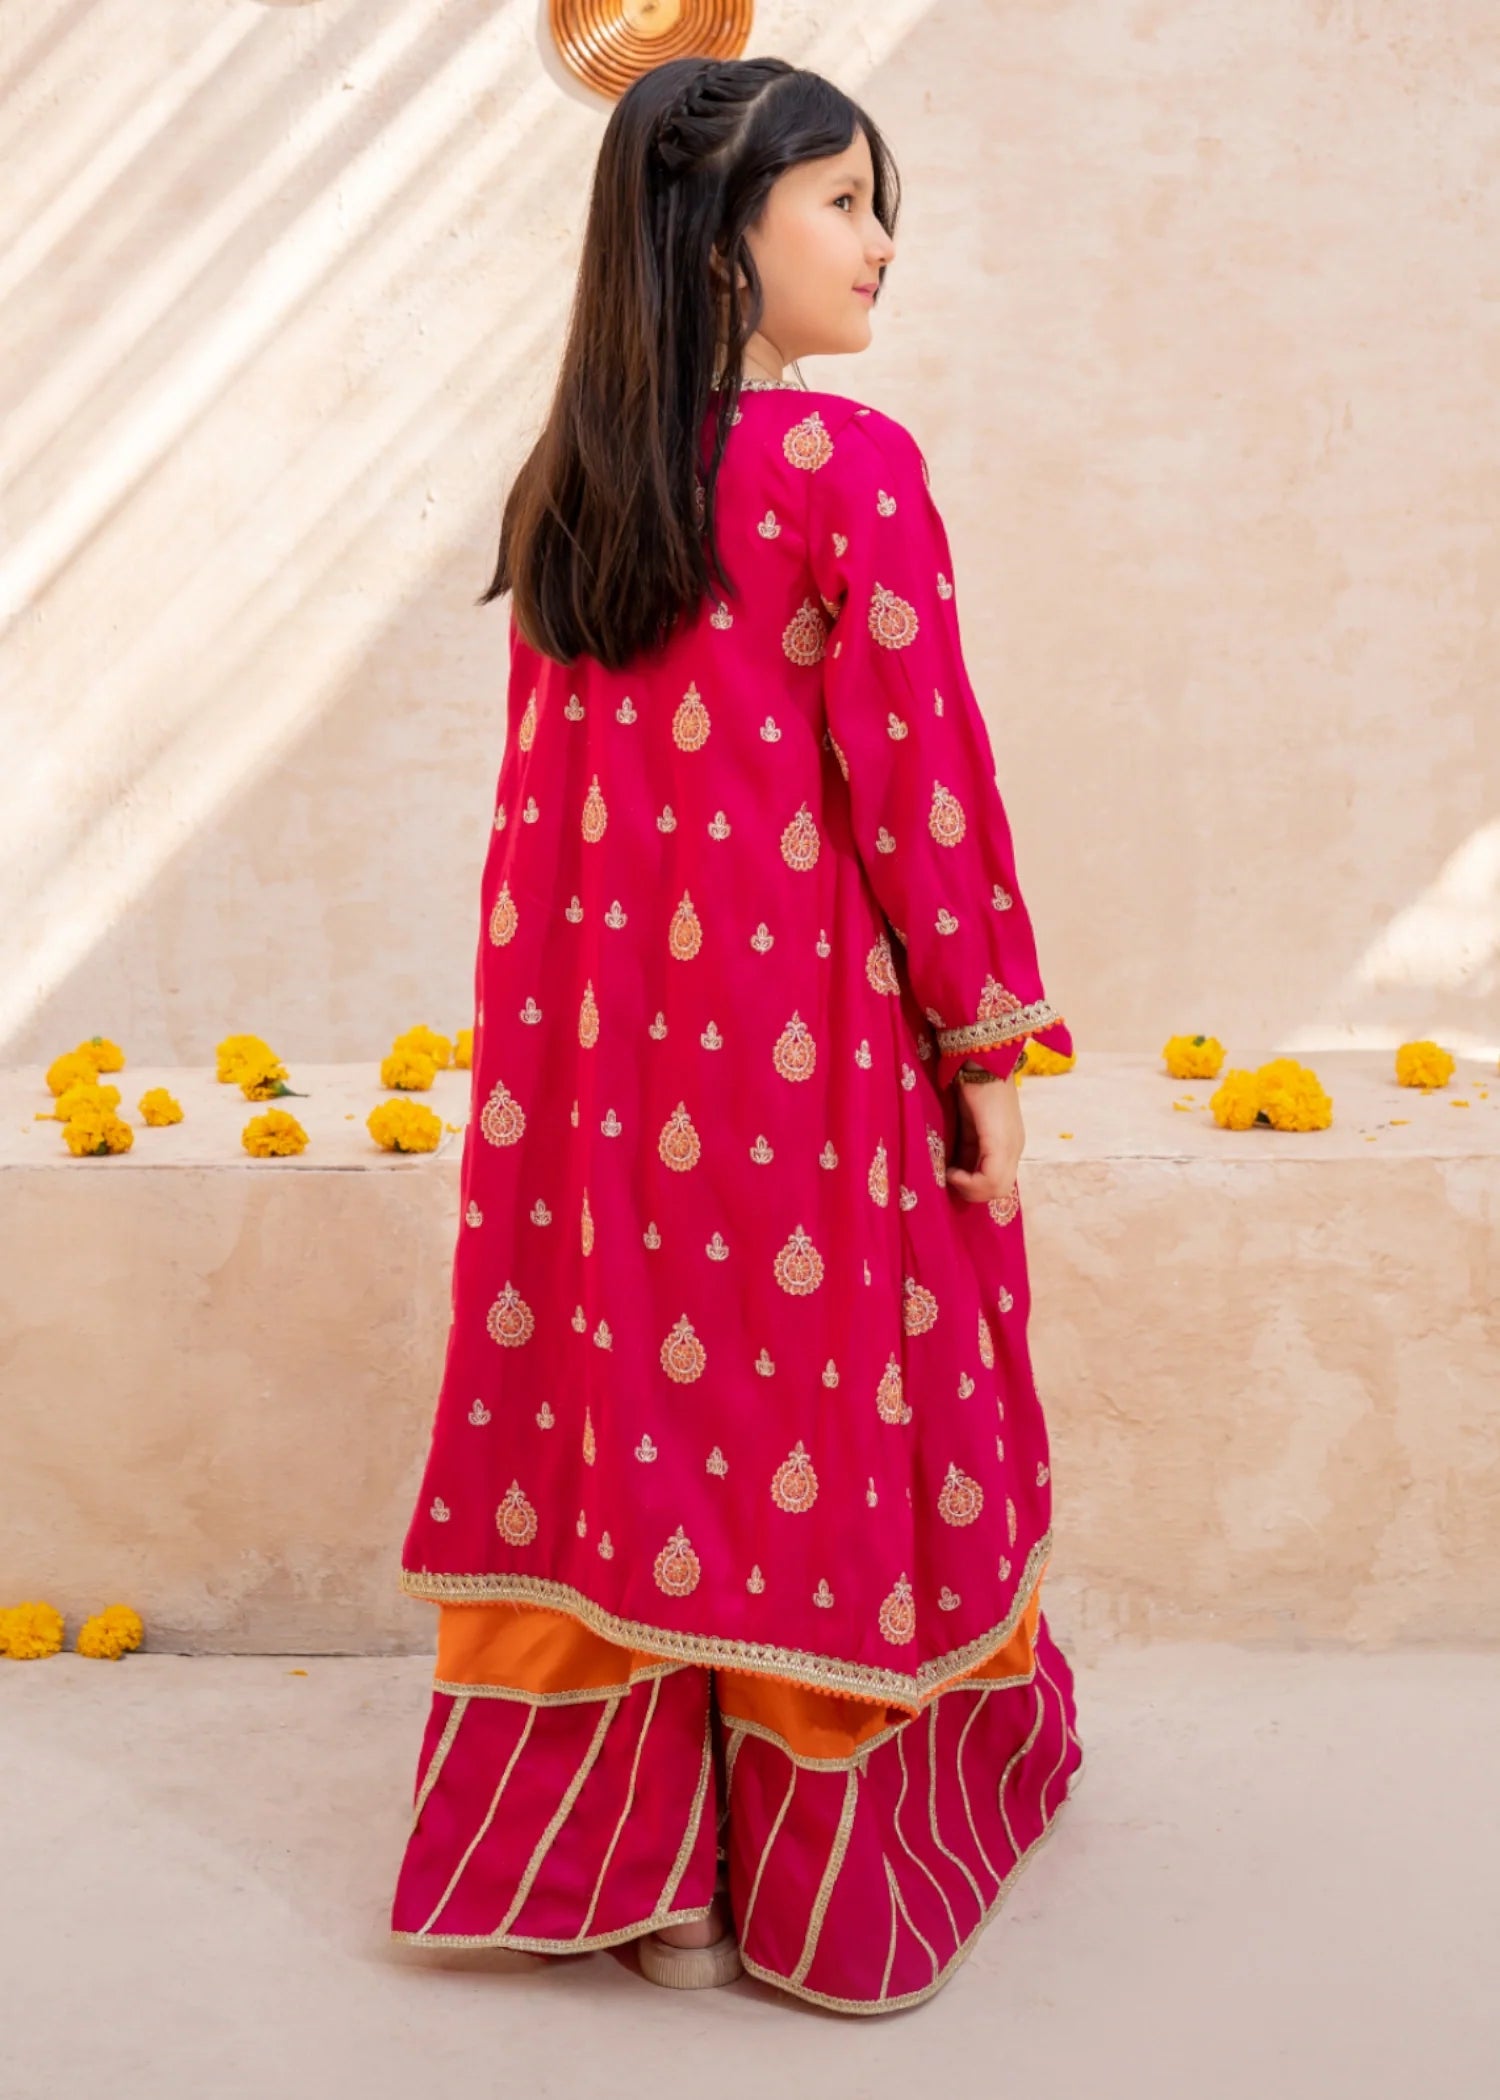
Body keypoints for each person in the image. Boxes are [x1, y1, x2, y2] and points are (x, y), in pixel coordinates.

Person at [387, 52, 1084, 2015]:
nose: (880, 246)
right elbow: (922, 787)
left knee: (628, 1422)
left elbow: (542, 823)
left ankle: (648, 1883)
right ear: (719, 235)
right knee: (804, 1421)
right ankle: (810, 1896)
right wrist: (986, 1048)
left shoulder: (577, 476)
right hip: (799, 1057)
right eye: (842, 202)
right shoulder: (845, 464)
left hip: (594, 1072)